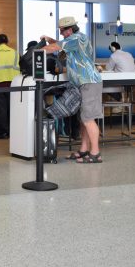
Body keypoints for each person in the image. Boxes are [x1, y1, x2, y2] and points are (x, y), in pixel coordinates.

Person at [40, 16, 103, 163]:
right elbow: (60, 44)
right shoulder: (74, 39)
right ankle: (83, 149)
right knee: (83, 119)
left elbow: (56, 47)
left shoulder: (77, 38)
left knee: (88, 119)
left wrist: (36, 51)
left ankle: (95, 153)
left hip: (89, 82)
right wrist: (50, 39)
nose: (61, 34)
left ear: (69, 30)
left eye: (62, 31)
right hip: (82, 83)